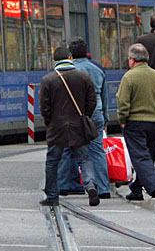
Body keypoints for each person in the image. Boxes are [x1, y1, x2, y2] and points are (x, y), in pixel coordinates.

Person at [39, 46, 99, 208]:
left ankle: (52, 195)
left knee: (52, 162)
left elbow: (44, 108)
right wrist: (84, 116)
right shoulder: (83, 77)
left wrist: (49, 122)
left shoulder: (48, 80)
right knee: (84, 159)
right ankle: (91, 186)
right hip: (78, 126)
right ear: (70, 58)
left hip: (57, 128)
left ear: (55, 61)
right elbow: (92, 101)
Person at [116, 43, 155, 201]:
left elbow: (123, 102)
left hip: (134, 123)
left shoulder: (129, 77)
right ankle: (136, 189)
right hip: (154, 124)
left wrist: (122, 120)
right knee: (148, 157)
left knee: (140, 157)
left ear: (132, 60)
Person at [57, 38, 111, 200]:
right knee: (97, 151)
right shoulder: (97, 69)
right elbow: (104, 95)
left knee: (67, 149)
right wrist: (105, 118)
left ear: (71, 54)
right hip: (95, 114)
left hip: (73, 116)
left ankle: (65, 185)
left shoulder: (69, 71)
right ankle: (103, 188)